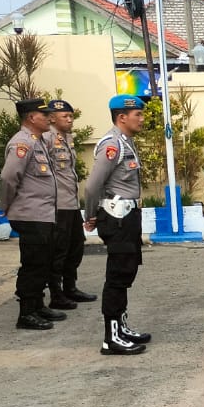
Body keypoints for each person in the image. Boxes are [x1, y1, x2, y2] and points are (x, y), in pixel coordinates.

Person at [81, 95, 149, 356]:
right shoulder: (112, 145)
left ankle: (120, 327)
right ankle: (111, 338)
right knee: (117, 277)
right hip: (116, 217)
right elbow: (92, 185)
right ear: (122, 117)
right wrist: (90, 215)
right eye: (138, 115)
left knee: (126, 272)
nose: (142, 119)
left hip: (127, 216)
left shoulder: (125, 142)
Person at [0, 98, 64, 331]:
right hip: (30, 215)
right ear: (30, 118)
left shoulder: (37, 142)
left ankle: (37, 305)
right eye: (43, 114)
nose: (49, 118)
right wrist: (7, 206)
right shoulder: (22, 143)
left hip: (42, 215)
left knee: (43, 263)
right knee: (33, 265)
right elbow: (8, 178)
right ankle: (26, 313)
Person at [45, 99, 96, 311]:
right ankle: (56, 294)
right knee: (59, 250)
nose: (70, 119)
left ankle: (70, 287)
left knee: (75, 247)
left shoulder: (67, 138)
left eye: (71, 116)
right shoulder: (46, 138)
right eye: (65, 116)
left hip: (71, 203)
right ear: (52, 118)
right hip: (57, 205)